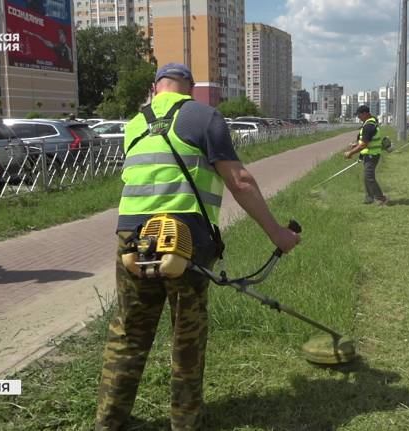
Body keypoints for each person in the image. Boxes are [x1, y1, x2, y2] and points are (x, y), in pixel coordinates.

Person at [95, 63, 300, 431]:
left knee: (128, 331)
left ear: (155, 88)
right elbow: (239, 181)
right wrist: (277, 234)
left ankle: (109, 421)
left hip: (131, 239)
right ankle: (186, 423)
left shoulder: (134, 124)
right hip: (182, 239)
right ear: (189, 88)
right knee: (185, 337)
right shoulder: (204, 116)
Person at [344, 105, 388, 205]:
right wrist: (356, 144)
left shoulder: (369, 126)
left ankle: (381, 198)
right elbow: (366, 140)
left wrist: (350, 153)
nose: (358, 117)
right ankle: (369, 198)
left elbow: (364, 144)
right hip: (369, 154)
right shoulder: (370, 123)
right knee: (366, 176)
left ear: (365, 114)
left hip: (372, 155)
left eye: (359, 115)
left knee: (369, 177)